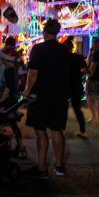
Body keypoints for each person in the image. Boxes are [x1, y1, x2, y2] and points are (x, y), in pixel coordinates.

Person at [22, 19, 70, 178]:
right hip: (59, 96)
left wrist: (27, 89)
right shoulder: (64, 51)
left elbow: (33, 73)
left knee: (41, 133)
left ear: (44, 32)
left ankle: (41, 167)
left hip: (40, 96)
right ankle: (59, 166)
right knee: (57, 131)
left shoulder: (38, 49)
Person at [63, 36, 88, 139]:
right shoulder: (78, 57)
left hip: (65, 86)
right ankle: (83, 131)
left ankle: (62, 129)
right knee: (77, 109)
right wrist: (80, 75)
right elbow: (86, 70)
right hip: (76, 85)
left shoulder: (62, 58)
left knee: (63, 108)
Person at [87, 37, 99, 123]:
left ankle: (94, 117)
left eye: (94, 43)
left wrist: (89, 77)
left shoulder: (96, 54)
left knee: (90, 98)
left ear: (95, 44)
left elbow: (92, 66)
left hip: (94, 79)